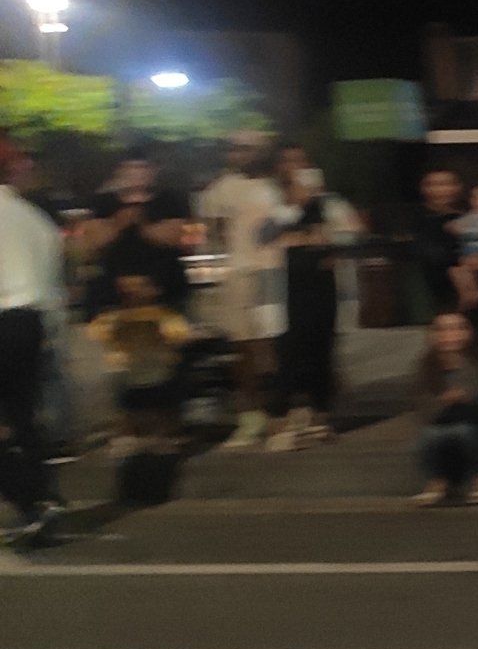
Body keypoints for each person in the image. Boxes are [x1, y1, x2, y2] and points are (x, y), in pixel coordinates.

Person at [197, 131, 285, 447]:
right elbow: (215, 230)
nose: (239, 154)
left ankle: (278, 415)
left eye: (247, 148)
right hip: (240, 272)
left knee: (271, 346)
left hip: (275, 272)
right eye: (235, 148)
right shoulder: (222, 188)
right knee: (242, 346)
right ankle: (250, 416)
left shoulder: (278, 184)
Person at [0, 136, 66, 548]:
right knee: (23, 416)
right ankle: (45, 495)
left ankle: (31, 503)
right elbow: (55, 281)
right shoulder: (35, 219)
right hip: (32, 322)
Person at [263, 162, 347, 450]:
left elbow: (345, 236)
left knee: (320, 348)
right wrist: (303, 238)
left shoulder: (329, 209)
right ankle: (283, 417)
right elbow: (265, 240)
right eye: (298, 186)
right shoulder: (279, 213)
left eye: (309, 186)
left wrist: (310, 241)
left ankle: (320, 414)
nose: (305, 192)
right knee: (288, 351)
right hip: (286, 292)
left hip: (321, 290)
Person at [87, 272, 192, 456]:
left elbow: (179, 336)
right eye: (128, 288)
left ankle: (162, 432)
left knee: (164, 378)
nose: (134, 292)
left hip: (157, 373)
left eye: (140, 287)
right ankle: (132, 432)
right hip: (131, 374)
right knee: (121, 377)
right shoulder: (114, 317)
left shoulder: (164, 316)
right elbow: (97, 333)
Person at [82, 149, 192, 318]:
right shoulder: (103, 203)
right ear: (120, 172)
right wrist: (118, 223)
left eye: (142, 168)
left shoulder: (170, 200)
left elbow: (174, 237)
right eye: (131, 169)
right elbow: (93, 241)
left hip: (164, 287)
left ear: (153, 171)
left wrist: (143, 223)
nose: (137, 175)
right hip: (114, 290)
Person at [413, 310, 478, 505]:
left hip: (476, 421)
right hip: (441, 421)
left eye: (457, 328)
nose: (450, 335)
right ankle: (437, 481)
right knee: (429, 435)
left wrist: (460, 393)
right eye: (443, 330)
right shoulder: (426, 366)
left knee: (465, 432)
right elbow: (423, 406)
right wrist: (443, 401)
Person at [410, 167, 467, 314]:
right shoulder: (417, 218)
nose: (441, 190)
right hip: (435, 285)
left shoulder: (469, 216)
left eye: (447, 184)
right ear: (423, 188)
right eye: (434, 185)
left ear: (458, 187)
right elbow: (428, 252)